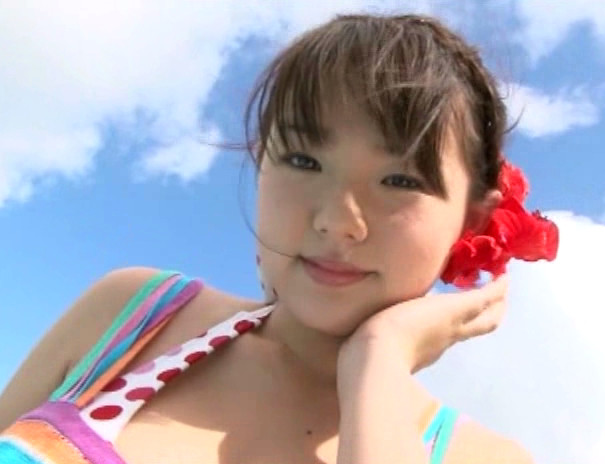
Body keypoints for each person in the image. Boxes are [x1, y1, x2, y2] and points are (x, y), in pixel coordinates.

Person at [0, 13, 558, 464]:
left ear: (472, 221)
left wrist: (379, 362)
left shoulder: (479, 456)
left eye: (400, 180)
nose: (337, 221)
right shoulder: (136, 316)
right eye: (303, 161)